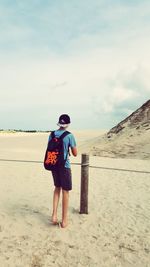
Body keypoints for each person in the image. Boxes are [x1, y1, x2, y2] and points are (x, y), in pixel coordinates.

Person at [48, 114, 77, 228]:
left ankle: (54, 215)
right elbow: (75, 153)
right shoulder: (69, 136)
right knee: (65, 191)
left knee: (57, 188)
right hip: (64, 166)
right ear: (68, 124)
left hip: (54, 164)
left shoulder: (52, 134)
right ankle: (64, 221)